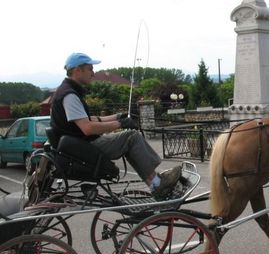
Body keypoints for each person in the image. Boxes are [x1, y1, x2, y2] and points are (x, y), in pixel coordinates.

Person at [50, 52, 180, 200]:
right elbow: (87, 127)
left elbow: (89, 119)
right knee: (132, 137)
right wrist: (120, 124)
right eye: (90, 69)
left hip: (79, 146)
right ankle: (157, 184)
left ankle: (155, 182)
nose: (93, 73)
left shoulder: (66, 91)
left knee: (129, 140)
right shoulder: (70, 95)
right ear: (77, 70)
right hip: (85, 147)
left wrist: (117, 116)